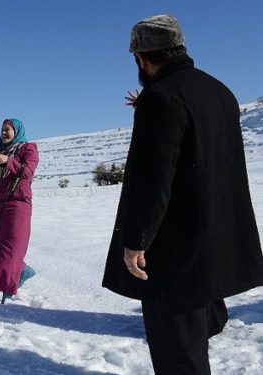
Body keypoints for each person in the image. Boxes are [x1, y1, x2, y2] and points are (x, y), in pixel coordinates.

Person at [102, 15, 263, 374]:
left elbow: (154, 178)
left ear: (140, 58)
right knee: (195, 338)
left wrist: (136, 240)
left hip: (174, 251)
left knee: (178, 353)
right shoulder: (220, 91)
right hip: (216, 238)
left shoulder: (159, 98)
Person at [0, 119, 38, 304]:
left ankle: (8, 291)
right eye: (2, 130)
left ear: (17, 131)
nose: (3, 133)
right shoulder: (1, 151)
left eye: (7, 129)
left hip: (17, 203)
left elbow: (27, 172)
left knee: (10, 249)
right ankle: (22, 270)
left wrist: (8, 161)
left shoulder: (29, 148)